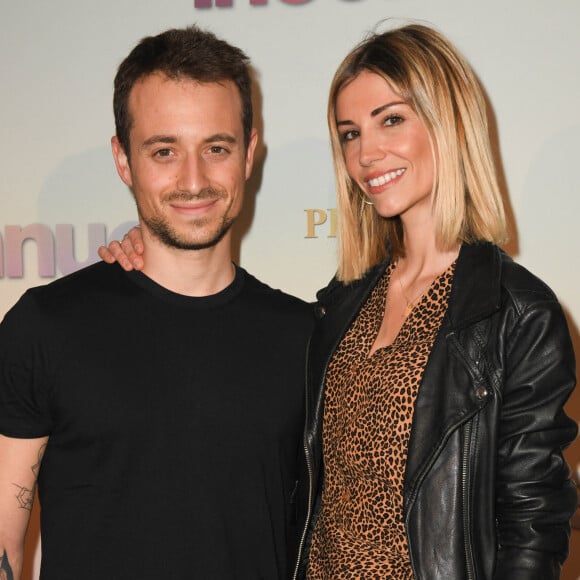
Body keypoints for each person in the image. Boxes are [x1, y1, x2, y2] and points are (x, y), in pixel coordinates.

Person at [99, 23, 578, 580]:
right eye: (350, 134)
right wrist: (149, 254)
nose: (368, 153)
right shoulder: (346, 301)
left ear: (447, 121)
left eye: (391, 119)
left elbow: (533, 522)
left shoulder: (514, 313)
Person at [0, 26, 313, 579]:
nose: (193, 180)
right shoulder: (45, 326)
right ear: (123, 160)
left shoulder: (307, 337)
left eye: (216, 148)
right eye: (164, 151)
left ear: (249, 153)